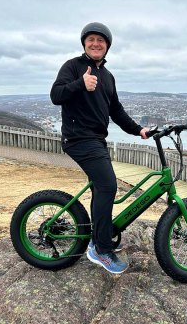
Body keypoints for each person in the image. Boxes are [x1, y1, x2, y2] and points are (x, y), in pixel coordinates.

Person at [50, 22, 149, 274]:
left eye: (101, 40)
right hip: (78, 139)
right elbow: (56, 95)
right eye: (91, 39)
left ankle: (99, 236)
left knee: (100, 188)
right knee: (107, 185)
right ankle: (100, 249)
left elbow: (115, 110)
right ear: (84, 43)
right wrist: (80, 84)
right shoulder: (73, 66)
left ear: (107, 46)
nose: (96, 44)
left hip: (96, 140)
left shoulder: (107, 76)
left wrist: (139, 129)